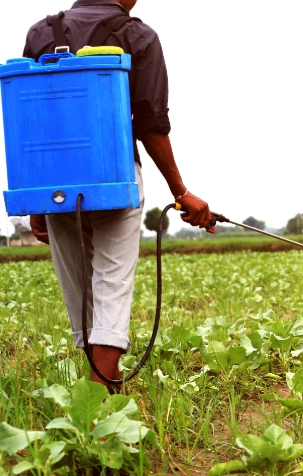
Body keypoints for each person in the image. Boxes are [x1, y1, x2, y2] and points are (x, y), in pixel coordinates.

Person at [24, 0, 214, 393]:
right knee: (112, 281)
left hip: (56, 184)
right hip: (116, 177)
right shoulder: (138, 36)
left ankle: (93, 394)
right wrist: (181, 191)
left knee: (79, 285)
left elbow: (30, 119)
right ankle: (101, 395)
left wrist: (36, 199)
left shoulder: (41, 34)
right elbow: (150, 123)